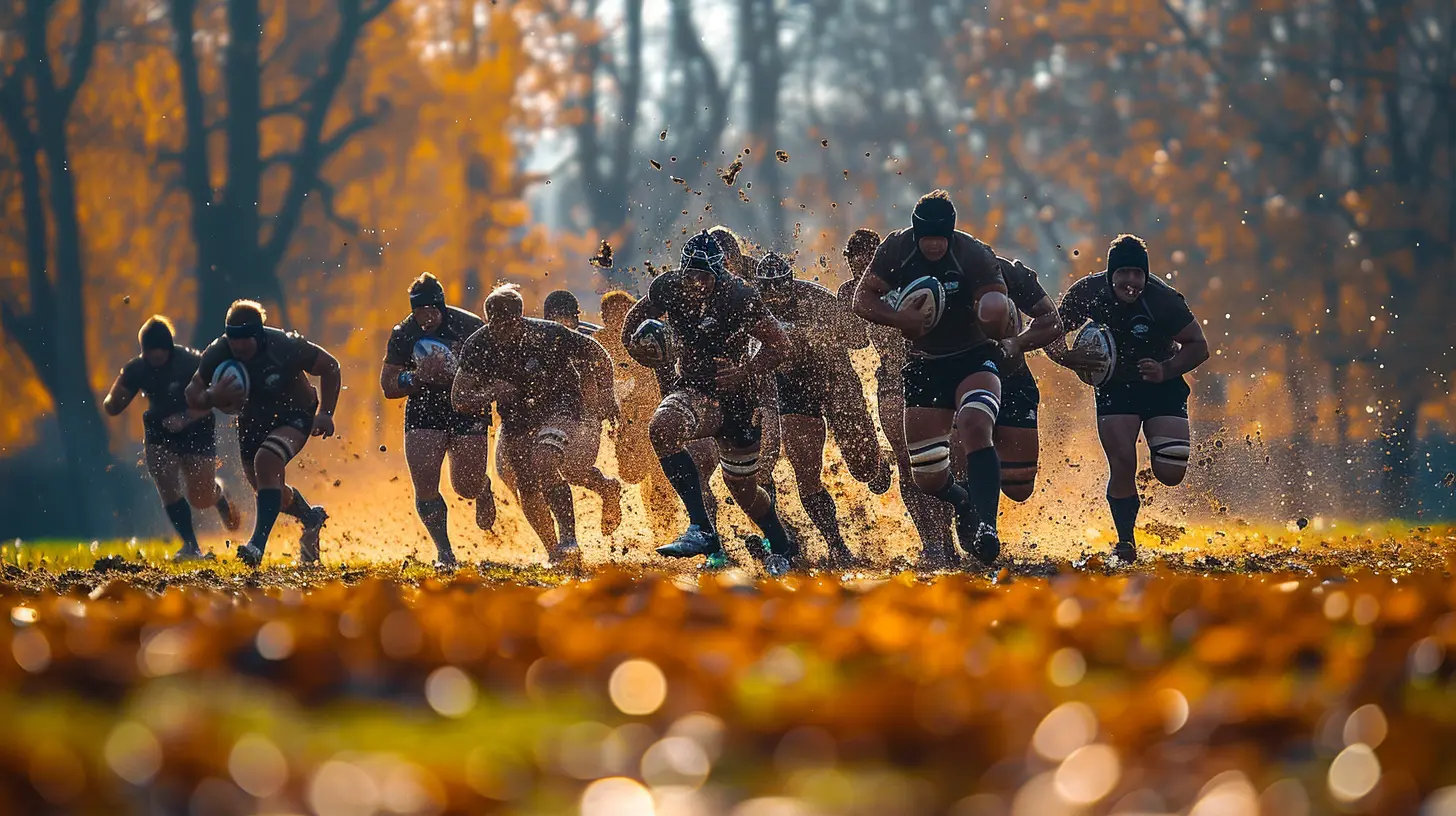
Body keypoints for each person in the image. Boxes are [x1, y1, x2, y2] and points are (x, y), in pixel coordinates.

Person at [620, 230, 797, 574]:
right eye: (692, 276)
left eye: (706, 277)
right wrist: (633, 345)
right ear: (682, 272)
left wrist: (746, 370)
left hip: (738, 402)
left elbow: (781, 345)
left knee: (744, 490)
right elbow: (635, 318)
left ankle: (781, 544)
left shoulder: (740, 295)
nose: (698, 284)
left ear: (720, 273)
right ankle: (702, 529)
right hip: (694, 390)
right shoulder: (668, 287)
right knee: (662, 428)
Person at [850, 190, 1009, 566]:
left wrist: (995, 317)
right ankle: (963, 501)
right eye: (928, 238)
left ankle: (986, 526)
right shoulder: (896, 249)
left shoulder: (973, 253)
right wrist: (900, 320)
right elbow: (862, 300)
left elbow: (998, 303)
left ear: (951, 233)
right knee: (927, 475)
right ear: (916, 233)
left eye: (942, 237)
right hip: (923, 363)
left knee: (974, 424)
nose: (935, 245)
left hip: (973, 356)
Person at [1047, 234, 1210, 561]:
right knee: (1122, 462)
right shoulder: (1087, 293)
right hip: (1116, 386)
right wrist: (1066, 358)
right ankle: (1126, 542)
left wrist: (1165, 370)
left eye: (1138, 273)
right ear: (1111, 274)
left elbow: (1199, 346)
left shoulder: (1164, 301)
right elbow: (1051, 332)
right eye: (1124, 273)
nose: (1131, 281)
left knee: (1171, 470)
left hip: (1162, 384)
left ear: (1146, 275)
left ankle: (1153, 467)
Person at [452, 284, 619, 571]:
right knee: (526, 485)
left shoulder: (549, 334)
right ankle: (554, 551)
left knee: (545, 460)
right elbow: (459, 398)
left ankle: (569, 539)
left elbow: (598, 353)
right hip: (516, 418)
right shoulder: (478, 345)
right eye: (495, 324)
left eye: (509, 323)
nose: (502, 331)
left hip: (560, 406)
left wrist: (606, 396)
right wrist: (491, 392)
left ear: (520, 318)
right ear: (488, 320)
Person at [754, 251, 892, 568]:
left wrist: (822, 332)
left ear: (791, 283)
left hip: (836, 379)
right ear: (759, 288)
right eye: (768, 289)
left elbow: (858, 339)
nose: (775, 295)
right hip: (792, 389)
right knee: (806, 473)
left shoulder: (815, 297)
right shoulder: (752, 309)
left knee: (866, 471)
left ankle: (877, 460)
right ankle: (837, 545)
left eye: (781, 287)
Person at [186, 300, 340, 568]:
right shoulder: (219, 352)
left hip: (295, 413)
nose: (240, 346)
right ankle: (310, 518)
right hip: (252, 423)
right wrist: (213, 395)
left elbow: (330, 366)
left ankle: (257, 545)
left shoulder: (284, 346)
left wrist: (326, 412)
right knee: (272, 492)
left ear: (259, 334)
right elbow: (192, 394)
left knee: (267, 461)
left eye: (246, 339)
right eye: (234, 340)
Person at [837, 229, 955, 568]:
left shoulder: (912, 278)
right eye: (854, 268)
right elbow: (855, 341)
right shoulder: (850, 292)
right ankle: (931, 542)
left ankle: (949, 534)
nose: (861, 275)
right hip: (891, 379)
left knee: (938, 457)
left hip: (931, 372)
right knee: (907, 463)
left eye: (866, 266)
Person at [103, 316, 240, 561]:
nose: (156, 359)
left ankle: (218, 495)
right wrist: (114, 401)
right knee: (164, 478)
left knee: (200, 497)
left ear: (169, 348)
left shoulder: (191, 363)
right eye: (150, 354)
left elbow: (212, 402)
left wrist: (185, 418)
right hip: (160, 430)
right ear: (143, 351)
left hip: (197, 428)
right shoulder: (137, 369)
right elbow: (113, 404)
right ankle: (190, 546)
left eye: (160, 353)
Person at [380, 273, 493, 568]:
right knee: (426, 482)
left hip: (467, 406)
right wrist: (416, 377)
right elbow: (389, 385)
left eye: (431, 311)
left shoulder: (470, 327)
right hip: (424, 407)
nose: (426, 318)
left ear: (441, 307)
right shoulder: (404, 333)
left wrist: (466, 379)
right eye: (419, 312)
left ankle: (483, 488)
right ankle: (444, 551)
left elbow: (495, 370)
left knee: (465, 486)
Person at [541, 288, 623, 534]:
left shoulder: (590, 338)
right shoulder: (537, 338)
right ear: (546, 320)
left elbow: (610, 371)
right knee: (539, 466)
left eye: (568, 319)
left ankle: (607, 489)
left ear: (577, 318)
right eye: (557, 319)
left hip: (586, 414)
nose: (564, 325)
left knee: (574, 471)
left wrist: (606, 400)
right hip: (549, 414)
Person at [988, 257, 1065, 502]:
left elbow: (1052, 320)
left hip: (1012, 375)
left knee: (1018, 487)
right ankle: (972, 527)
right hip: (956, 377)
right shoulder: (922, 268)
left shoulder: (1006, 271)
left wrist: (1017, 343)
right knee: (956, 471)